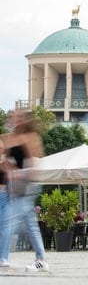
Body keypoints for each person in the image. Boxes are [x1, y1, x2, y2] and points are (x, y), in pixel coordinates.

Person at [0, 110, 49, 272]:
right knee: (30, 224)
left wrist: (24, 176)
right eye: (13, 117)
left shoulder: (30, 137)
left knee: (8, 220)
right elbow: (6, 162)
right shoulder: (9, 138)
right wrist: (10, 171)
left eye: (18, 118)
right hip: (14, 186)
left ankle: (4, 257)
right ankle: (41, 258)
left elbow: (35, 160)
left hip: (27, 184)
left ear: (23, 120)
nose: (14, 120)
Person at [0, 139, 12, 268]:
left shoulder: (6, 164)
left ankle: (3, 258)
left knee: (6, 228)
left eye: (1, 147)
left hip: (5, 197)